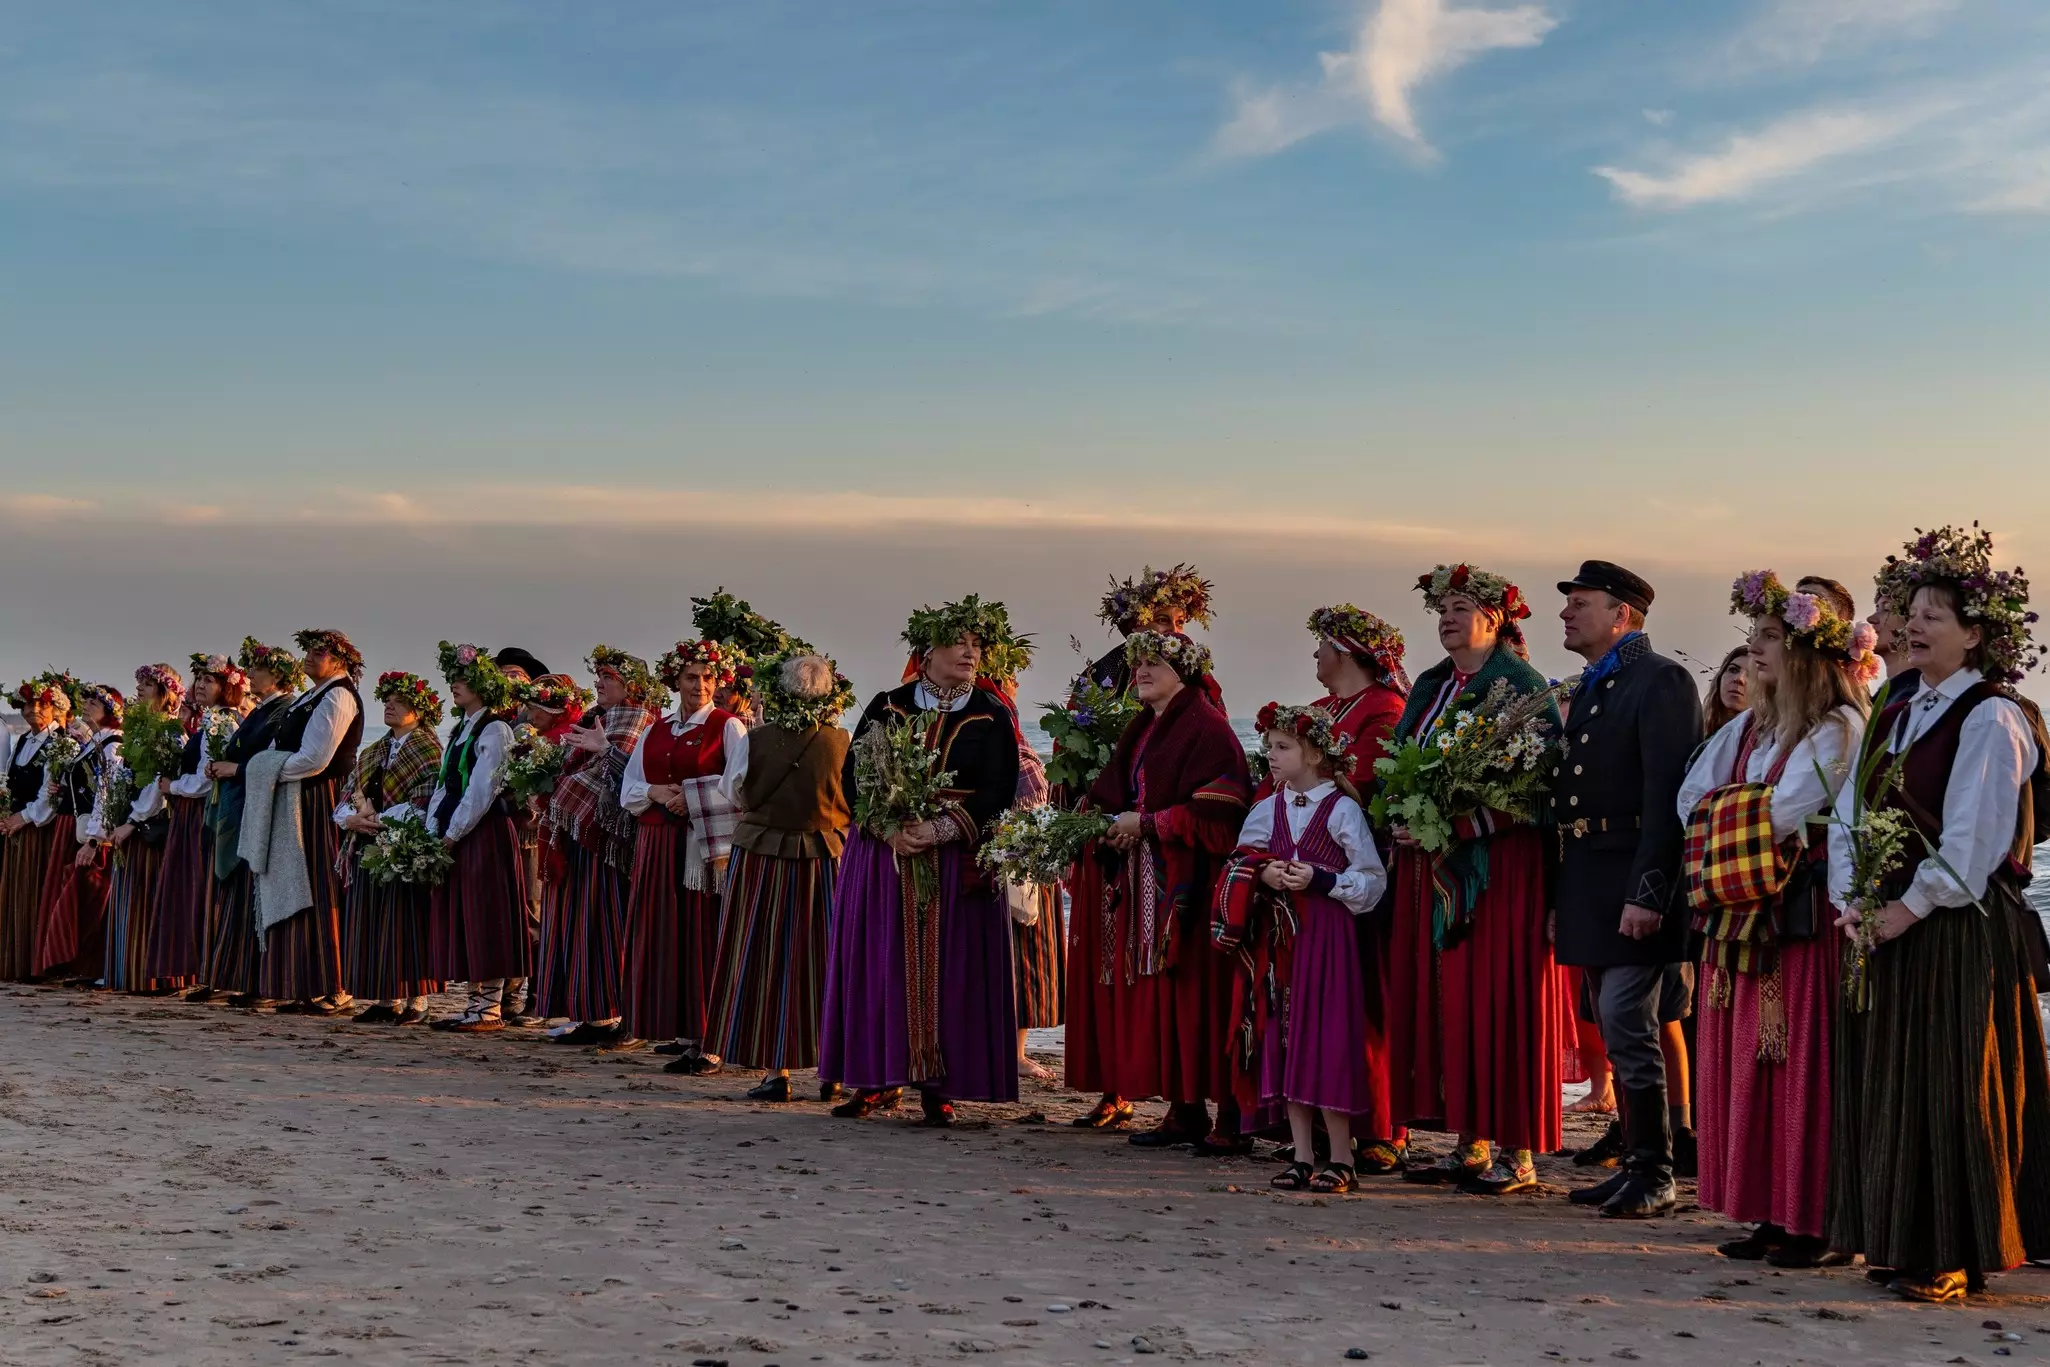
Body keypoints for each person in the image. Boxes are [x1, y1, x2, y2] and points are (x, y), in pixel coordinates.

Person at [1825, 525, 2050, 1303]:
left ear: (1977, 634)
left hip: (1955, 933)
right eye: (1911, 611)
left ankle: (1956, 1251)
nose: (1914, 625)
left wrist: (1908, 908)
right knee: (1895, 1081)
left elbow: (1973, 841)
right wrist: (1851, 902)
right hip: (1885, 923)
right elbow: (1851, 810)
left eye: (1935, 615)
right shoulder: (1894, 703)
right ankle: (1901, 1237)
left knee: (1952, 1087)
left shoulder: (1992, 717)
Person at [1680, 573, 1874, 1267]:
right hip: (1750, 905)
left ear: (1803, 653)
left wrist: (1729, 811)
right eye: (1752, 638)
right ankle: (1769, 1206)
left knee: (1798, 1058)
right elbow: (1690, 797)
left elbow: (1781, 811)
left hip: (1801, 915)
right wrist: (1736, 807)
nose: (1754, 651)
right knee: (1750, 1059)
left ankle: (1815, 1217)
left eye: (1769, 638)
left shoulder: (1837, 726)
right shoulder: (1754, 726)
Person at [1384, 565, 1564, 1196]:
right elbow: (1406, 768)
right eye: (1442, 610)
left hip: (1498, 873)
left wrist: (1459, 825)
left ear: (1495, 617)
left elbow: (1544, 793)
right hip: (1428, 868)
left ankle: (1518, 1153)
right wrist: (1408, 816)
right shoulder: (1432, 684)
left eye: (1461, 607)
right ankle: (1469, 1140)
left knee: (1500, 998)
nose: (1447, 618)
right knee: (1449, 998)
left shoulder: (1520, 686)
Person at [820, 596, 1024, 1125]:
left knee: (951, 971)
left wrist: (940, 828)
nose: (970, 652)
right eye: (959, 642)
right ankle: (872, 1079)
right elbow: (853, 778)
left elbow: (1000, 789)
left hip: (955, 857)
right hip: (885, 861)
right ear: (926, 650)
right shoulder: (888, 705)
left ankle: (940, 1087)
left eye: (977, 644)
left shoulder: (991, 712)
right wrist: (888, 828)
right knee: (879, 963)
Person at [1551, 561, 1703, 1219]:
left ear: (1620, 613)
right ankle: (1639, 1164)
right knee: (1613, 1024)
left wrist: (1649, 890)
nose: (1565, 614)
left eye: (1578, 603)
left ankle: (1657, 1170)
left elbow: (1668, 796)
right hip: (1591, 871)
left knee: (1625, 1018)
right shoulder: (1595, 683)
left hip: (1635, 876)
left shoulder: (1661, 680)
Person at [1080, 629, 1251, 1152]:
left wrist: (1149, 823)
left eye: (1155, 663)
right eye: (1137, 665)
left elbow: (1225, 807)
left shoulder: (1208, 727)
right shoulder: (1144, 727)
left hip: (1191, 884)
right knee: (1174, 997)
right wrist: (1103, 823)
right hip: (1148, 878)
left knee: (1205, 994)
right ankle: (1186, 1109)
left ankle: (1232, 1117)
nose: (1142, 672)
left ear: (1187, 672)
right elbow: (1117, 790)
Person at [1063, 564, 1219, 1129]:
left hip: (1165, 864)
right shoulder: (1112, 684)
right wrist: (1089, 821)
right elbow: (1087, 763)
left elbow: (1217, 790)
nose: (1160, 633)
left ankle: (1183, 1103)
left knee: (1165, 977)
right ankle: (1122, 1085)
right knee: (1116, 973)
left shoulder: (1199, 706)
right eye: (1150, 624)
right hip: (1122, 856)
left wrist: (1149, 822)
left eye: (1172, 623)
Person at [1223, 704, 1388, 1195]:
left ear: (1314, 753)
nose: (1270, 756)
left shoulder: (1342, 809)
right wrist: (1264, 873)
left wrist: (1324, 879)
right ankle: (1301, 1154)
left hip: (1329, 939)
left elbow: (1372, 880)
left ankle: (1342, 1158)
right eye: (1269, 746)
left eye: (1282, 747)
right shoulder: (1266, 808)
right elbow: (1240, 859)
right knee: (1286, 1036)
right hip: (1282, 941)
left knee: (1329, 1039)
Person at [705, 650, 853, 1101]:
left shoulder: (756, 738)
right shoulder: (842, 741)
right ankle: (833, 1073)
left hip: (763, 859)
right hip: (825, 857)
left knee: (766, 958)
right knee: (825, 960)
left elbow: (730, 790)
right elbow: (856, 799)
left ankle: (776, 1072)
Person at [1303, 603, 1409, 1172]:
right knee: (1319, 999)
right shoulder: (1323, 709)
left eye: (1322, 646)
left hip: (1360, 872)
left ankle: (1381, 1124)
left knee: (1368, 996)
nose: (1315, 656)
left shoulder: (1384, 711)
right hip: (1311, 872)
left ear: (1347, 653)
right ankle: (1323, 1115)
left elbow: (1365, 786)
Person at [620, 638, 749, 1071]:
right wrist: (655, 791)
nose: (700, 685)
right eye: (692, 677)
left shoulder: (727, 726)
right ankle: (687, 1035)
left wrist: (691, 796)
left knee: (703, 935)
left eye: (708, 677)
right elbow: (629, 788)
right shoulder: (657, 728)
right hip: (658, 846)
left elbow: (739, 785)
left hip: (702, 849)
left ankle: (712, 1039)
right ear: (676, 680)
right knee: (667, 937)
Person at [540, 647, 664, 1044]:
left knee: (607, 928)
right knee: (580, 928)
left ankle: (616, 1015)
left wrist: (603, 751)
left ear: (630, 685)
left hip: (609, 841)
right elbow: (572, 766)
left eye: (607, 676)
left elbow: (632, 777)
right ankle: (591, 1015)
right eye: (598, 676)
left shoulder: (640, 719)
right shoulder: (597, 717)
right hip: (580, 836)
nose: (598, 683)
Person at [244, 629, 365, 1016]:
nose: (310, 657)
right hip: (298, 795)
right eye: (308, 651)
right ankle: (303, 981)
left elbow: (316, 758)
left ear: (340, 660)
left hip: (319, 797)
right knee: (297, 879)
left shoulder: (338, 696)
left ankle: (334, 983)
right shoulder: (314, 696)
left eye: (320, 652)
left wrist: (267, 770)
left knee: (320, 882)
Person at [426, 643, 529, 1032]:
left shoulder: (496, 729)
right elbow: (446, 783)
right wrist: (432, 828)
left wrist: (452, 832)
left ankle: (489, 1006)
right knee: (468, 917)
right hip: (462, 831)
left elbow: (482, 790)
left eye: (463, 680)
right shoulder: (460, 729)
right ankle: (475, 1003)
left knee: (487, 916)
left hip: (484, 833)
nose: (455, 684)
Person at [337, 671, 446, 1025]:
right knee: (374, 921)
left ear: (420, 710)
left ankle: (417, 999)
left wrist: (379, 818)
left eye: (400, 701)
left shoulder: (428, 748)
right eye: (388, 700)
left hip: (406, 845)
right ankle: (387, 998)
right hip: (369, 844)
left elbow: (425, 802)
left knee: (407, 923)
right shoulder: (374, 751)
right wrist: (351, 818)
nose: (390, 705)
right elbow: (348, 796)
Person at [202, 639, 301, 1008]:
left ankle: (259, 982)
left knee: (255, 894)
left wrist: (236, 769)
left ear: (276, 675)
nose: (250, 676)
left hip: (259, 807)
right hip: (243, 803)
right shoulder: (262, 711)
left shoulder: (282, 711)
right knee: (241, 895)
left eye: (257, 670)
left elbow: (273, 759)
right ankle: (242, 979)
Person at [151, 655, 247, 999]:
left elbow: (209, 779)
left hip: (206, 815)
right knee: (194, 889)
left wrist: (172, 787)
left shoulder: (224, 722)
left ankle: (211, 973)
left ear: (227, 688)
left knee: (205, 888)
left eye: (210, 680)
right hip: (193, 815)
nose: (201, 685)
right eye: (200, 679)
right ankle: (198, 971)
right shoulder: (211, 721)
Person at [97, 664, 187, 993]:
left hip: (152, 830)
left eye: (147, 685)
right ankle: (127, 972)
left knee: (148, 900)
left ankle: (152, 977)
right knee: (131, 899)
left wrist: (132, 821)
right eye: (139, 683)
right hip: (132, 823)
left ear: (165, 695)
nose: (139, 690)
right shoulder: (140, 729)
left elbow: (156, 787)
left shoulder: (169, 731)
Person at [513, 673, 591, 1022]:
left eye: (537, 706)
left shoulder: (569, 738)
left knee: (537, 911)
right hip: (531, 830)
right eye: (528, 706)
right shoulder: (533, 738)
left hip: (551, 835)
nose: (530, 713)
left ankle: (537, 996)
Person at [0, 675, 77, 981]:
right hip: (17, 826)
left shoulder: (60, 743)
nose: (34, 709)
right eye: (29, 703)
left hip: (40, 829)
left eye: (41, 704)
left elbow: (51, 793)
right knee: (16, 891)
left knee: (35, 890)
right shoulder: (22, 741)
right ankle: (15, 961)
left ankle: (37, 962)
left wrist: (25, 818)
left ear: (54, 707)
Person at [492, 647, 549, 1025]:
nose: (510, 682)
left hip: (527, 827)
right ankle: (510, 992)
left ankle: (536, 996)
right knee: (505, 909)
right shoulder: (494, 720)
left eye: (517, 675)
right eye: (504, 675)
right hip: (500, 824)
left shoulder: (535, 723)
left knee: (532, 911)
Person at [1701, 644, 1750, 739]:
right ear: (1720, 677)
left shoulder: (1764, 747)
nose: (1739, 679)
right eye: (1733, 670)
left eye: (1752, 676)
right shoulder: (1695, 733)